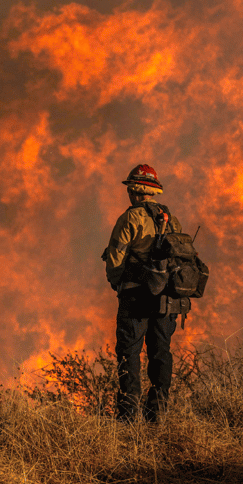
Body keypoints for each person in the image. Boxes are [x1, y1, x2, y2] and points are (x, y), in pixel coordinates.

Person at [102, 163, 191, 422]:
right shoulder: (171, 219)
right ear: (153, 191)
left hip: (135, 299)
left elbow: (115, 261)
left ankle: (129, 416)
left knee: (129, 353)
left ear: (134, 190)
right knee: (160, 352)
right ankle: (157, 414)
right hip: (166, 301)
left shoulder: (130, 218)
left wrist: (117, 283)